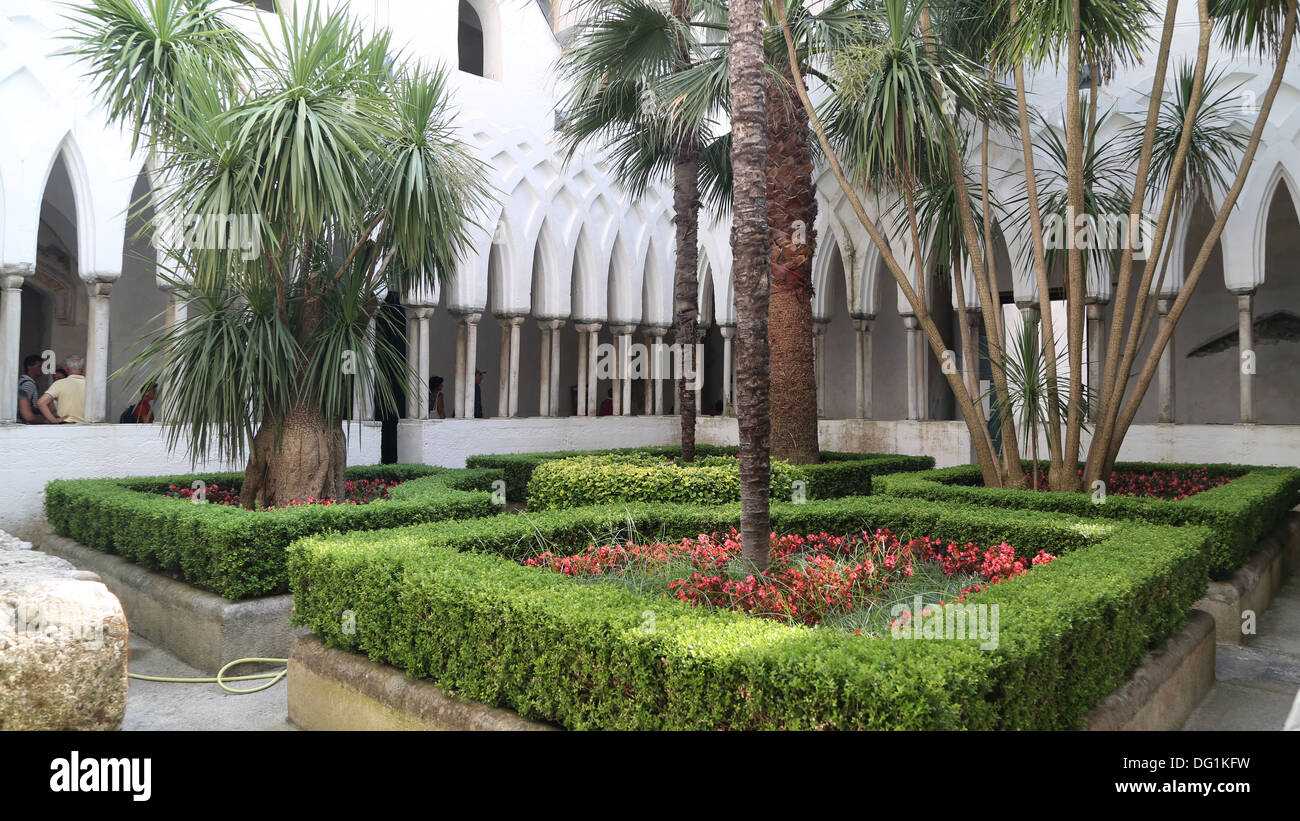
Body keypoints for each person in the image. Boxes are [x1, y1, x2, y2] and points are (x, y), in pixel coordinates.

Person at [38, 355, 86, 424]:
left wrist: (53, 420)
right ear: (83, 368)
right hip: (87, 426)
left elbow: (41, 402)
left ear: (66, 368)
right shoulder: (91, 385)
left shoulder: (59, 383)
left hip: (65, 426)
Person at [17, 354, 44, 424]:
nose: (42, 368)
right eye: (39, 366)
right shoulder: (28, 384)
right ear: (29, 367)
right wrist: (42, 410)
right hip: (25, 422)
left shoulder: (25, 381)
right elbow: (24, 406)